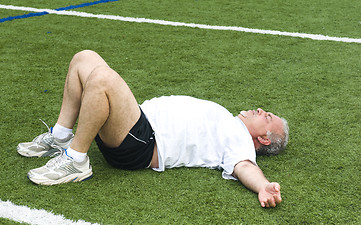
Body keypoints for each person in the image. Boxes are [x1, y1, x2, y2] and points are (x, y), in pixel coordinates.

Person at [17, 50, 289, 208]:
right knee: (83, 58)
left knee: (101, 77)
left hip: (142, 142)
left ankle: (75, 161)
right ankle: (60, 137)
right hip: (137, 123)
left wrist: (263, 186)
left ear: (263, 139)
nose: (262, 111)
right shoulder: (228, 120)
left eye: (268, 118)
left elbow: (245, 166)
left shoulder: (240, 140)